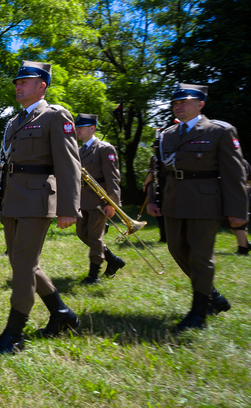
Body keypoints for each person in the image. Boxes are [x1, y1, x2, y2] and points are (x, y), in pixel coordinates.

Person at [0, 61, 81, 356]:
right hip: (13, 199)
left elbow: (69, 164)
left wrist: (69, 207)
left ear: (42, 86)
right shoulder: (14, 122)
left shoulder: (55, 116)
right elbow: (4, 164)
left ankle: (13, 334)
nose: (18, 85)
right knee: (20, 261)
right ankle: (62, 313)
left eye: (24, 81)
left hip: (37, 200)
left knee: (23, 268)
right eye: (16, 82)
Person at [146, 83, 247, 331]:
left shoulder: (219, 131)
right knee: (176, 249)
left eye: (185, 102)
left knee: (200, 257)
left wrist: (238, 211)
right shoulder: (167, 135)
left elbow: (235, 174)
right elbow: (159, 171)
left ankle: (198, 312)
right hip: (173, 200)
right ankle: (214, 297)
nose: (178, 106)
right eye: (175, 103)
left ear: (200, 104)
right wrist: (152, 198)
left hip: (205, 201)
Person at [74, 113, 125, 284]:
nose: (77, 130)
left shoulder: (104, 148)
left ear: (92, 128)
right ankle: (112, 260)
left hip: (99, 200)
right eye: (77, 127)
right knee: (82, 234)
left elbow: (112, 178)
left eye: (81, 127)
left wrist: (112, 203)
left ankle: (93, 276)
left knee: (95, 238)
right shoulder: (79, 150)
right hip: (83, 200)